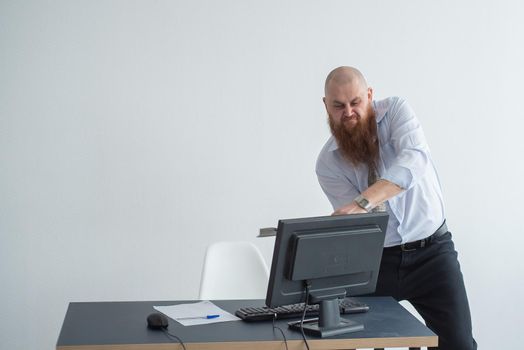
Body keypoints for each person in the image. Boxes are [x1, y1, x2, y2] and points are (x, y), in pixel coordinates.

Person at [316, 66, 477, 350]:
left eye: (355, 102)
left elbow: (413, 163)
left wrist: (361, 203)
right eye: (339, 106)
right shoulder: (328, 164)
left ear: (369, 96)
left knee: (459, 345)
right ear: (326, 106)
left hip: (433, 253)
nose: (349, 113)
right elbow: (362, 229)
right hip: (378, 263)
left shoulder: (398, 111)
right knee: (339, 341)